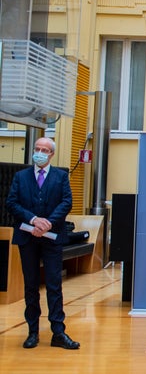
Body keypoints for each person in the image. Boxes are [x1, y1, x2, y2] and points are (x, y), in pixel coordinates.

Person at [6, 137, 79, 350]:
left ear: (51, 154)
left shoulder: (60, 177)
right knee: (31, 285)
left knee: (54, 285)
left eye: (44, 150)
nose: (39, 152)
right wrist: (33, 220)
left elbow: (66, 202)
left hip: (52, 238)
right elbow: (12, 203)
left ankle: (58, 332)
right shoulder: (21, 177)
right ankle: (32, 332)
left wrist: (48, 223)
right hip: (27, 237)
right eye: (37, 149)